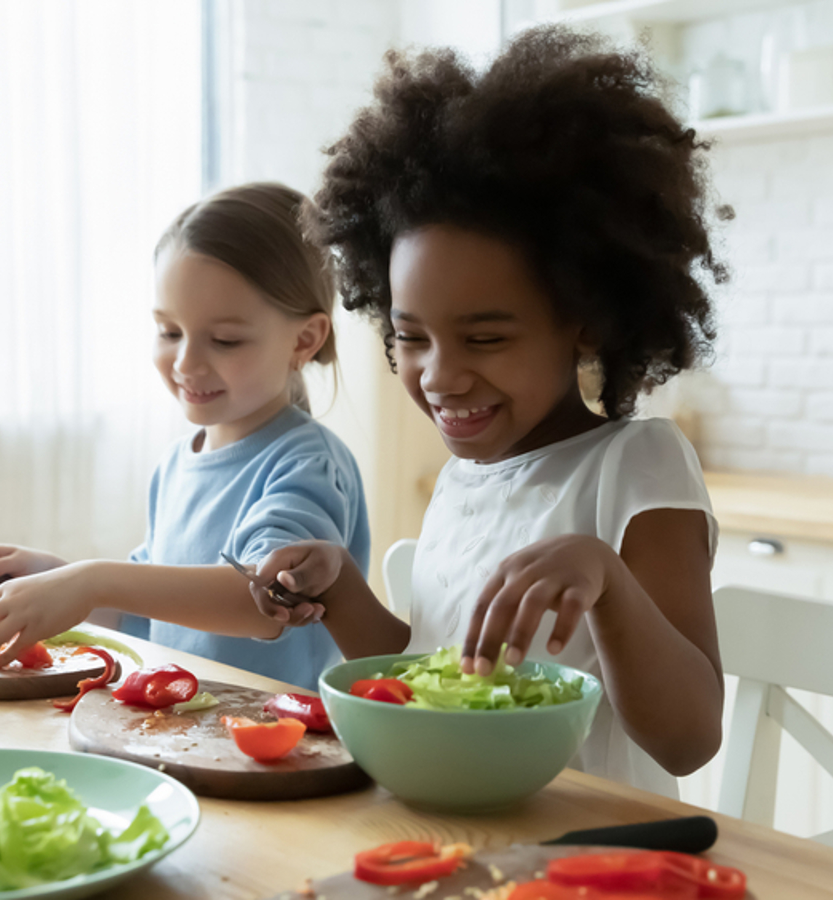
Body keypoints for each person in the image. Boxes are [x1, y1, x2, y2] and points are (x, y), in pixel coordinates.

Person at [249, 27, 728, 795]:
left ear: (587, 318)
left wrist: (605, 578)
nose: (440, 376)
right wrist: (339, 588)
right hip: (457, 838)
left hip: (596, 859)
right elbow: (435, 669)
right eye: (411, 337)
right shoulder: (464, 478)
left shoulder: (637, 465)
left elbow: (689, 739)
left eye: (485, 337)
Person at [0, 182, 370, 690]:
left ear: (304, 340)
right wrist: (54, 581)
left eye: (225, 339)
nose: (186, 362)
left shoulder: (308, 463)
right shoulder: (177, 464)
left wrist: (89, 580)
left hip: (271, 746)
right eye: (169, 331)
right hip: (179, 728)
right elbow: (144, 612)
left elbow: (266, 603)